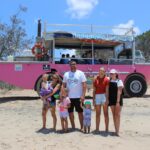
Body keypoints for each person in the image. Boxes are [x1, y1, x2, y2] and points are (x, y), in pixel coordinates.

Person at [62, 61, 87, 131]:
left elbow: (84, 85)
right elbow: (63, 85)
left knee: (80, 112)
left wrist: (83, 95)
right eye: (71, 64)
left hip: (78, 96)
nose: (73, 65)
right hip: (69, 97)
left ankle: (82, 126)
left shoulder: (80, 73)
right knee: (70, 112)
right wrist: (63, 95)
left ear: (76, 65)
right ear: (69, 65)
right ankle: (73, 126)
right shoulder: (66, 74)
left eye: (74, 64)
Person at [93, 67, 109, 132]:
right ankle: (97, 129)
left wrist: (107, 99)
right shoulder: (95, 79)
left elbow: (107, 90)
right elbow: (94, 90)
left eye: (103, 71)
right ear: (98, 71)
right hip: (97, 96)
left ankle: (106, 129)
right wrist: (93, 99)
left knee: (106, 113)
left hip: (104, 95)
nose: (101, 72)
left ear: (104, 72)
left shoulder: (106, 79)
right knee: (97, 114)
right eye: (100, 71)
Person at [108, 69, 124, 136]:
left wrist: (117, 102)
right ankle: (115, 130)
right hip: (111, 100)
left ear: (116, 74)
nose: (112, 74)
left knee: (117, 115)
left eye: (113, 73)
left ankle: (117, 131)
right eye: (111, 73)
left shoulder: (119, 81)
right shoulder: (109, 81)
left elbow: (119, 91)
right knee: (114, 115)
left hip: (118, 100)